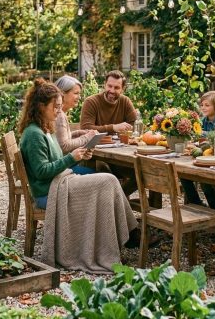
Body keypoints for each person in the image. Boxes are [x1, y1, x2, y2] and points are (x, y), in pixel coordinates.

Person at [19, 79, 139, 273]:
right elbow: (42, 172)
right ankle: (127, 237)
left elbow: (56, 161)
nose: (59, 111)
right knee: (108, 180)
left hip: (60, 182)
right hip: (49, 191)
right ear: (41, 106)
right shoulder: (34, 134)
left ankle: (128, 235)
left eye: (60, 106)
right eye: (55, 107)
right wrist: (71, 157)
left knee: (107, 181)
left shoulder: (44, 128)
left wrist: (79, 156)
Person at [80, 70, 138, 194]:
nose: (112, 90)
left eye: (116, 87)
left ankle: (117, 199)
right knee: (104, 170)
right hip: (94, 156)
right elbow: (86, 128)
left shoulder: (125, 101)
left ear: (123, 89)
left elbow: (133, 124)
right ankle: (115, 200)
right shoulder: (91, 102)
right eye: (109, 86)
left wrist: (126, 132)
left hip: (119, 155)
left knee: (141, 173)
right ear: (104, 85)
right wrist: (113, 128)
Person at [182, 91, 215, 209]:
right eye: (202, 105)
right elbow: (198, 137)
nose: (203, 107)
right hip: (205, 156)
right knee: (183, 174)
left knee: (205, 181)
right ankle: (195, 203)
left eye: (207, 105)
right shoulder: (204, 120)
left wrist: (199, 133)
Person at [54, 75, 98, 175]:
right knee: (103, 175)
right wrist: (87, 137)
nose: (79, 97)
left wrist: (76, 133)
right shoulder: (59, 115)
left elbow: (58, 139)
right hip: (61, 170)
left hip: (63, 166)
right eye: (76, 93)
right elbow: (64, 146)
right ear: (62, 93)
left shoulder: (59, 113)